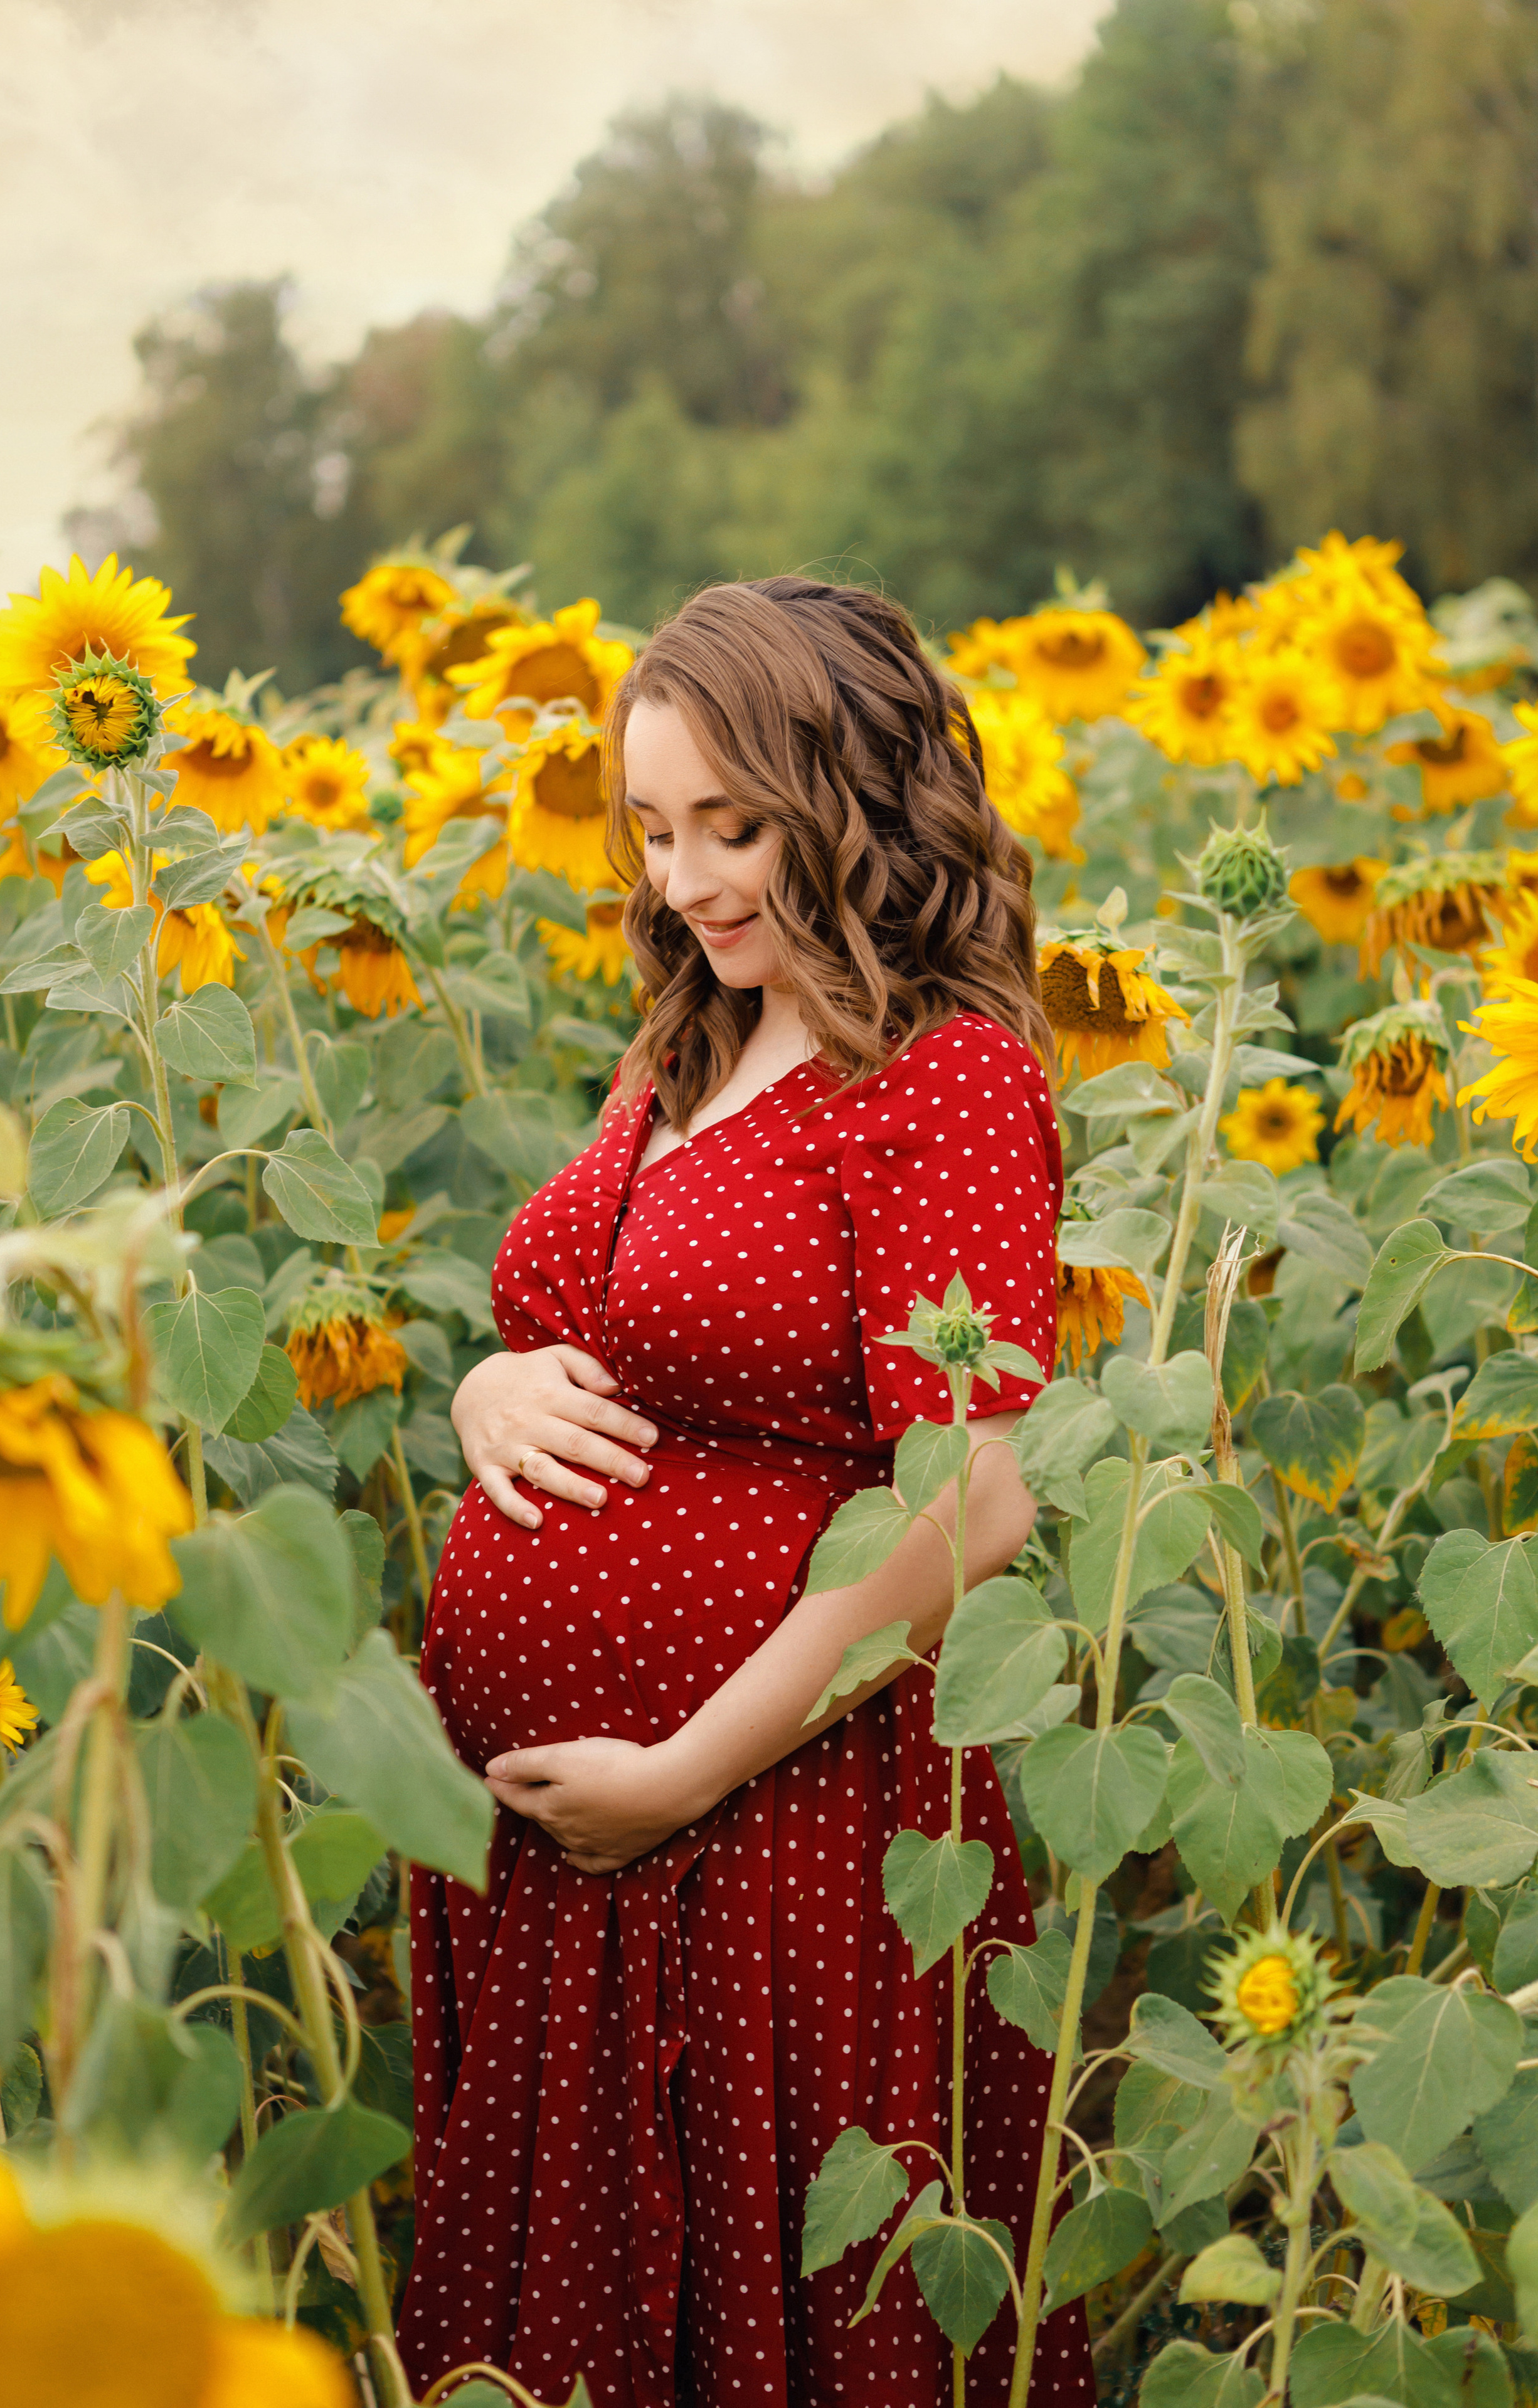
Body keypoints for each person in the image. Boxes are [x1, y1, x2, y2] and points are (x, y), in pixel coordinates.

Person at [400, 578, 1093, 2408]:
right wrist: (484, 1389)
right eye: (654, 828)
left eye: (735, 827)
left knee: (782, 2317)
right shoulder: (692, 1043)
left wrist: (687, 1770)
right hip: (580, 1869)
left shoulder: (943, 1080)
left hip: (782, 1830)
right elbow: (596, 1333)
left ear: (852, 807)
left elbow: (973, 1503)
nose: (688, 878)